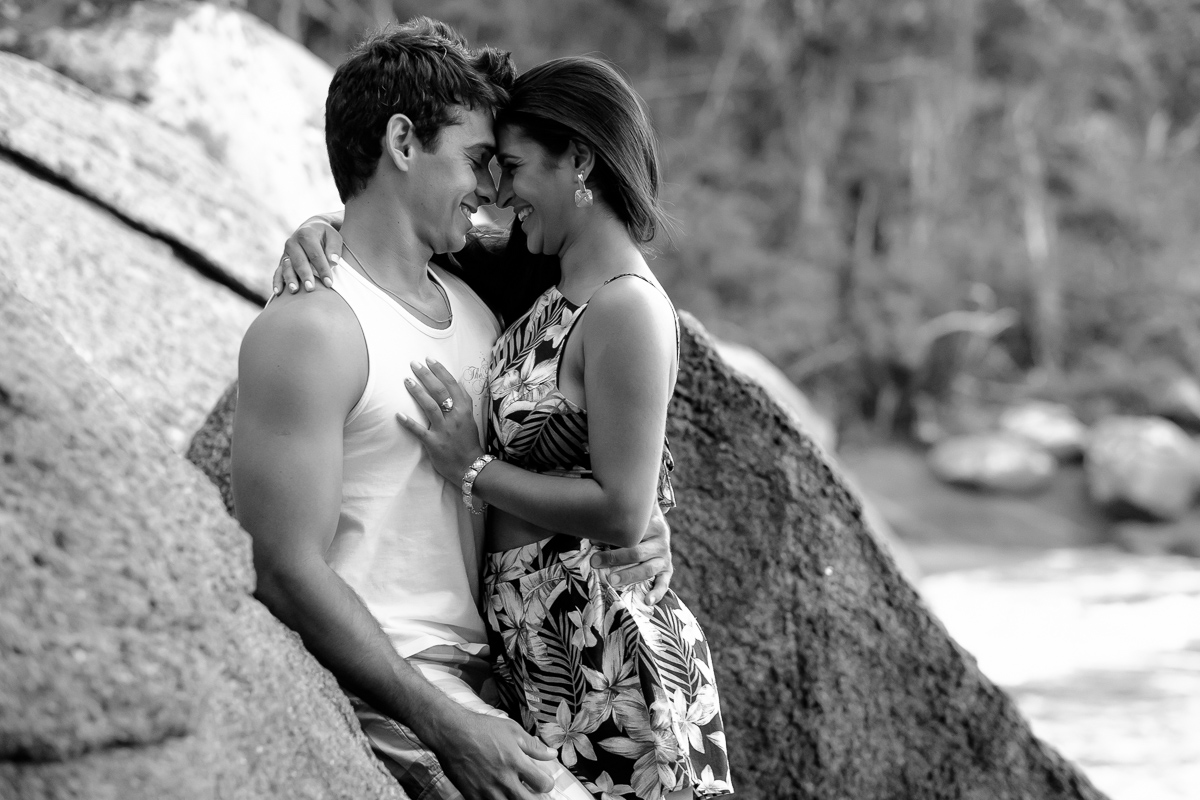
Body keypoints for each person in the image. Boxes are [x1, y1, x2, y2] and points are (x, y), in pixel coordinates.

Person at [233, 20, 674, 800]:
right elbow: (282, 567)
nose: (492, 191)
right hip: (396, 692)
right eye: (478, 162)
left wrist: (640, 525)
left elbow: (588, 426)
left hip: (513, 676)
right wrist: (443, 723)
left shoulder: (485, 308)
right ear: (402, 142)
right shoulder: (312, 327)